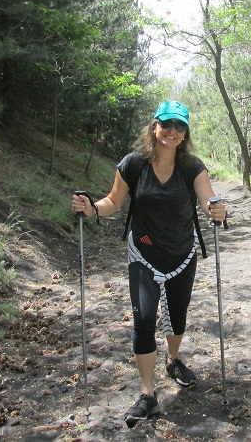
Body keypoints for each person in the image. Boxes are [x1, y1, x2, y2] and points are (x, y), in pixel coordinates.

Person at [72, 100, 227, 428]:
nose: (173, 131)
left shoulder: (193, 168)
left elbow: (208, 198)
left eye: (180, 126)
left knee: (178, 315)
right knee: (144, 319)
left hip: (182, 253)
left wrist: (218, 211)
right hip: (143, 253)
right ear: (154, 126)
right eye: (167, 124)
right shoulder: (133, 165)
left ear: (185, 133)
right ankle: (147, 395)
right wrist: (91, 209)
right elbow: (113, 201)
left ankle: (173, 361)